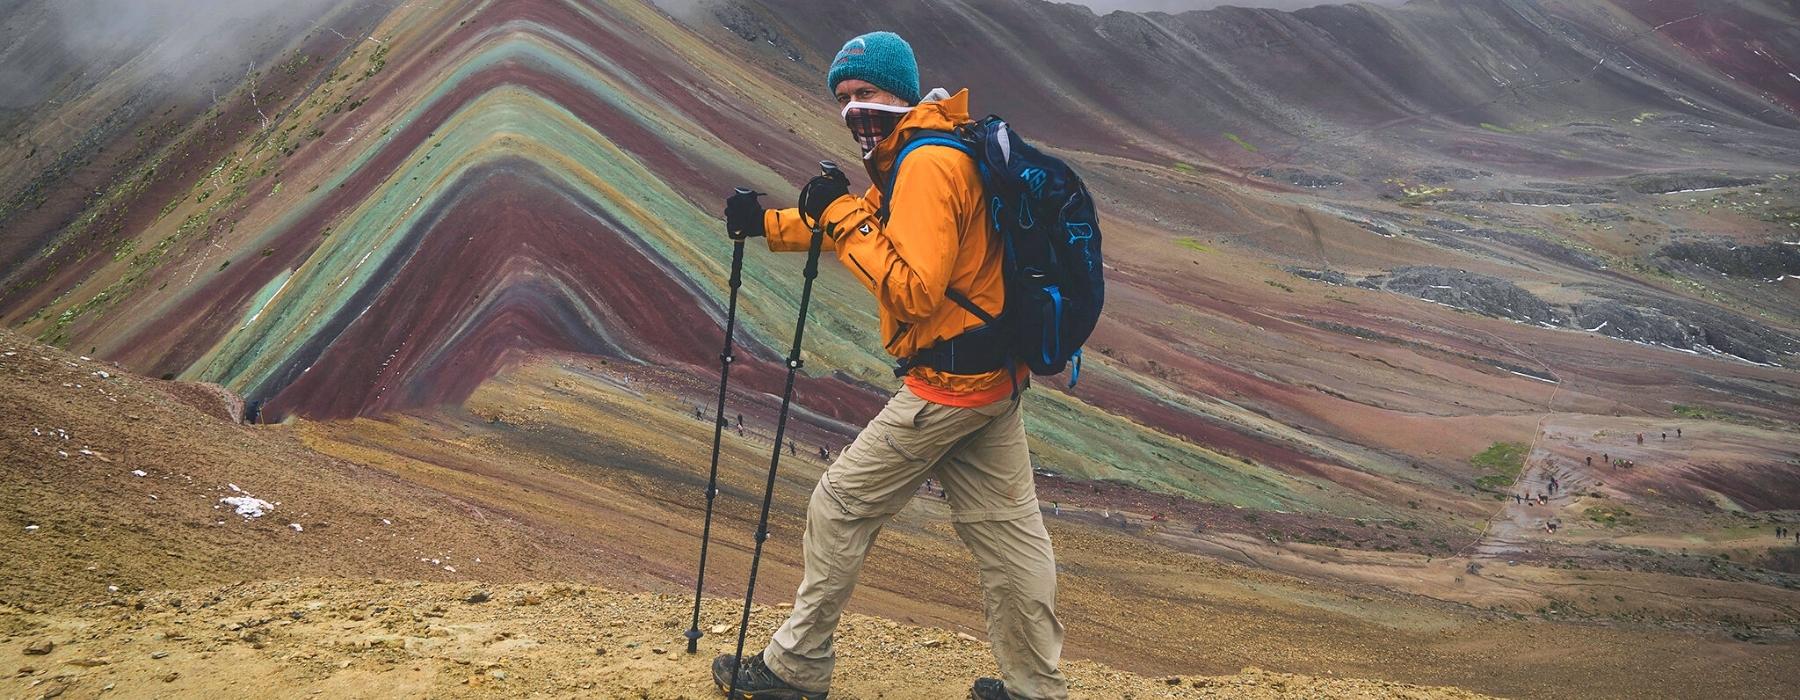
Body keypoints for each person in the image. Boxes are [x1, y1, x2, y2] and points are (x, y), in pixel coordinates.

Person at [711, 31, 1067, 700]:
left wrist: (838, 209)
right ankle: (1034, 689)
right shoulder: (927, 148)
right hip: (993, 379)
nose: (854, 111)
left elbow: (912, 289)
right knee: (1009, 536)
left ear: (900, 91)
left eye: (866, 93)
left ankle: (796, 668)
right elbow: (867, 222)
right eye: (844, 98)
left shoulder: (928, 164)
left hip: (948, 386)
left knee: (840, 505)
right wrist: (766, 223)